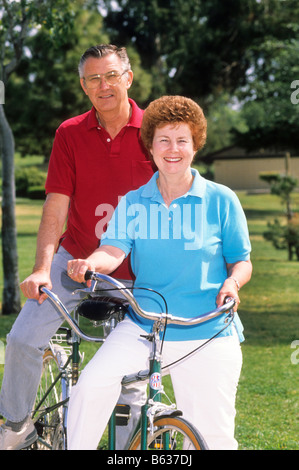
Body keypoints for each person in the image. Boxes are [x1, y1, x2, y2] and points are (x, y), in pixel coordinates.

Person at [66, 95, 253, 450]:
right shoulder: (134, 202)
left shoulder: (221, 199)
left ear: (195, 145)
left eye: (182, 140)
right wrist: (91, 263)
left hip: (209, 330)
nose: (173, 149)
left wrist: (232, 281)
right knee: (91, 385)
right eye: (163, 140)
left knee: (213, 438)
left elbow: (241, 261)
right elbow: (113, 250)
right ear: (150, 146)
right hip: (144, 326)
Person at [0, 44, 154, 450]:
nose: (103, 86)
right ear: (84, 86)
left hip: (138, 271)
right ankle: (16, 426)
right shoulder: (69, 133)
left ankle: (126, 450)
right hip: (75, 260)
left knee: (130, 377)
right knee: (21, 338)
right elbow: (56, 204)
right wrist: (40, 267)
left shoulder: (156, 130)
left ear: (128, 78)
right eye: (93, 79)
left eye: (111, 76)